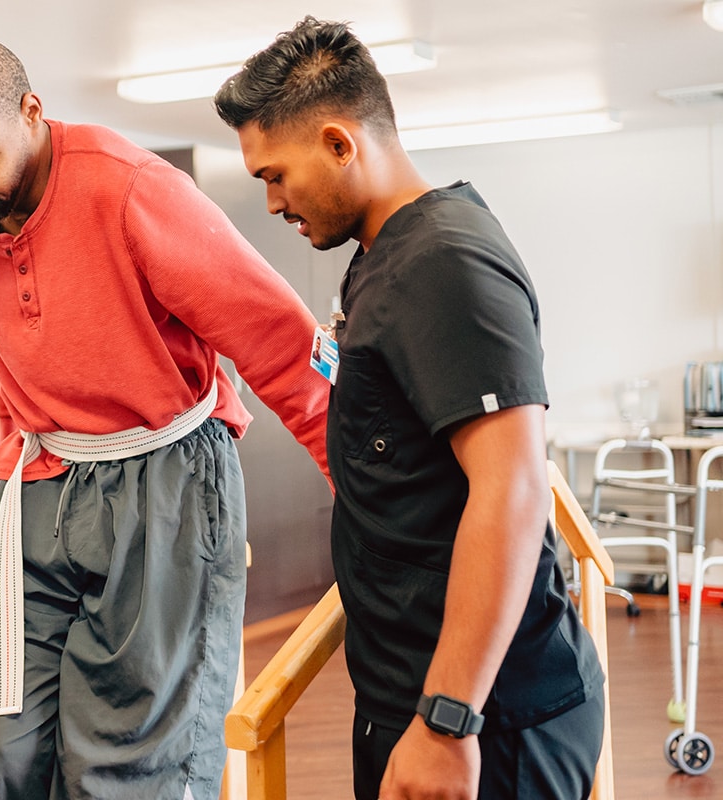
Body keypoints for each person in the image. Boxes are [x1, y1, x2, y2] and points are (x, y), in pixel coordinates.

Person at [0, 35, 331, 800]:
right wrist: (7, 447)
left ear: (33, 113)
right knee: (4, 762)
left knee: (126, 770)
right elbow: (15, 349)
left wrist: (369, 486)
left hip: (161, 482)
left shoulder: (128, 188)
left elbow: (278, 339)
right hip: (39, 487)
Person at [214, 17, 605, 800]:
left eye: (275, 174)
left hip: (486, 721)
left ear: (338, 142)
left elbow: (514, 490)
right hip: (415, 698)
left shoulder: (446, 262)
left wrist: (447, 721)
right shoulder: (381, 258)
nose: (269, 201)